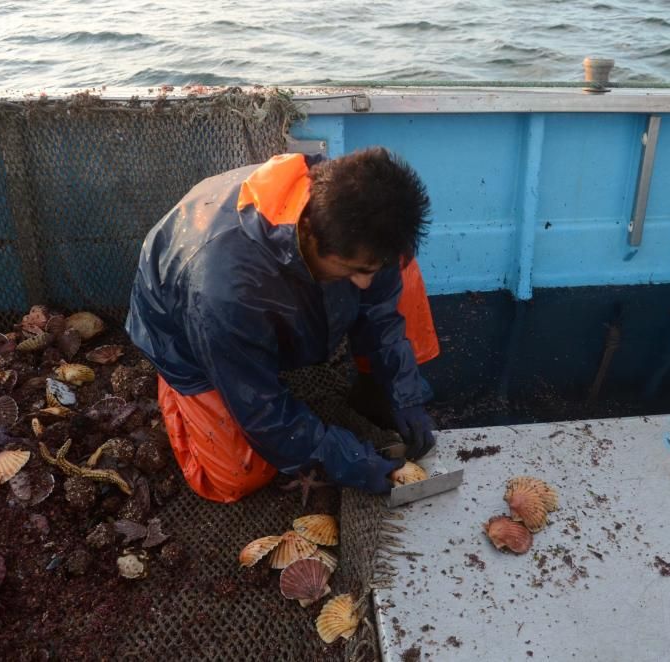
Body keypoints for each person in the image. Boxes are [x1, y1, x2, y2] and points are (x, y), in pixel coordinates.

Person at [126, 147, 440, 503]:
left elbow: (380, 311)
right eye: (353, 268)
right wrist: (348, 462)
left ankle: (375, 390)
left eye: (368, 269)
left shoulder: (362, 220)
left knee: (401, 271)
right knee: (235, 478)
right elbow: (261, 411)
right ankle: (179, 392)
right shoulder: (223, 291)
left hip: (272, 295)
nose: (365, 283)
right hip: (184, 329)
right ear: (308, 231)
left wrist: (404, 394)